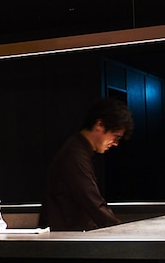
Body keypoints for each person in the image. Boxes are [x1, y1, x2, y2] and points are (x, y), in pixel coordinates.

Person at [39, 97, 134, 231]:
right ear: (99, 125)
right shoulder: (75, 155)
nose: (116, 143)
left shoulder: (78, 150)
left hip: (68, 236)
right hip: (65, 239)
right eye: (116, 136)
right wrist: (123, 233)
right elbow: (94, 204)